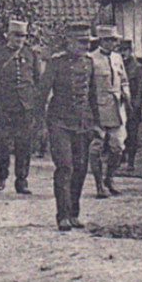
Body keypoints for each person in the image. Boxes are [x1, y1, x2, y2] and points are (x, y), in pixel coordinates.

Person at [38, 22, 101, 232]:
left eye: (88, 43)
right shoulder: (56, 63)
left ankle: (74, 213)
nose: (85, 47)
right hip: (59, 122)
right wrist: (40, 125)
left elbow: (92, 96)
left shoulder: (89, 64)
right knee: (65, 167)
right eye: (81, 42)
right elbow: (42, 94)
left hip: (82, 124)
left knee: (81, 169)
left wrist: (97, 124)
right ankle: (62, 215)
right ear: (69, 42)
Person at [0, 19, 43, 194]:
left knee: (23, 143)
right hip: (3, 104)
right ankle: (3, 172)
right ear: (8, 36)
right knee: (1, 141)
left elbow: (37, 79)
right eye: (16, 36)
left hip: (25, 105)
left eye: (23, 36)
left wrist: (38, 102)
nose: (19, 39)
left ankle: (22, 180)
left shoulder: (31, 54)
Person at [87, 25, 130, 198]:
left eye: (115, 40)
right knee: (96, 148)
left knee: (118, 147)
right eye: (110, 40)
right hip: (99, 111)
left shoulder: (118, 58)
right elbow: (88, 88)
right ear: (102, 41)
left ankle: (110, 178)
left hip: (117, 110)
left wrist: (126, 95)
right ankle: (99, 185)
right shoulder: (91, 59)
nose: (114, 43)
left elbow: (124, 80)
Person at [121, 39, 142, 177]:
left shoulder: (137, 68)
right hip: (120, 105)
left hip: (132, 106)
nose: (123, 53)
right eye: (121, 50)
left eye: (125, 50)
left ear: (130, 51)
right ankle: (122, 157)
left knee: (132, 134)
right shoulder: (118, 65)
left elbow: (140, 89)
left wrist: (135, 106)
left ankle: (131, 161)